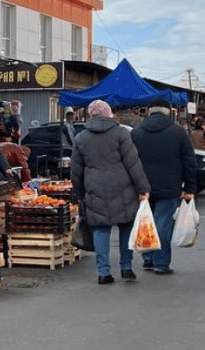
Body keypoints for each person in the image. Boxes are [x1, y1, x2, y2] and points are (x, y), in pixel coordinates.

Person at [72, 99, 151, 284]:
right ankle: (126, 268)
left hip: (95, 188)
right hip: (123, 188)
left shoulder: (81, 137)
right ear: (109, 113)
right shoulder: (121, 133)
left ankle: (103, 272)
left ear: (90, 115)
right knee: (126, 227)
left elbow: (76, 170)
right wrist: (143, 188)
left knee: (100, 229)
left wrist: (79, 193)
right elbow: (133, 163)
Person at [129, 98, 197, 275]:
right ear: (169, 112)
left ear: (149, 111)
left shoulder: (137, 132)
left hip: (143, 186)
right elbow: (189, 161)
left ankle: (148, 258)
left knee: (145, 223)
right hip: (170, 186)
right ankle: (161, 263)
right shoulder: (179, 132)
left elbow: (129, 161)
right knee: (163, 224)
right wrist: (189, 187)